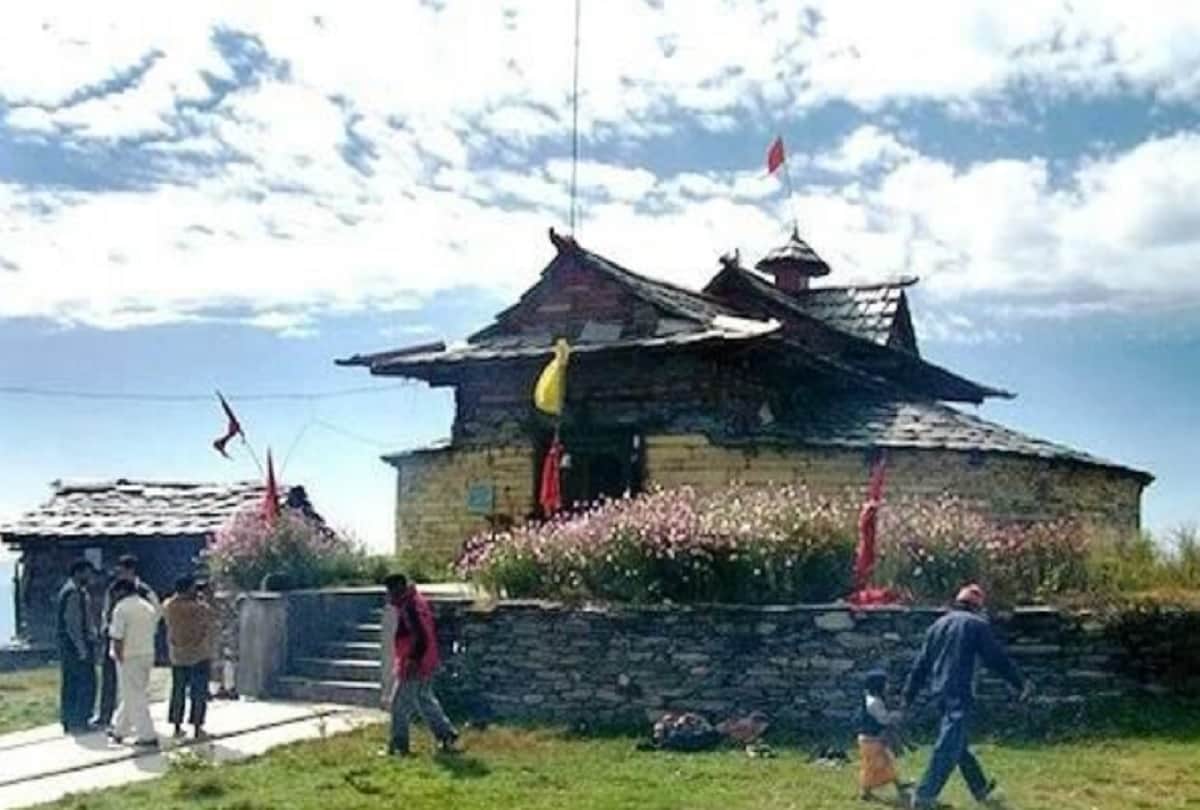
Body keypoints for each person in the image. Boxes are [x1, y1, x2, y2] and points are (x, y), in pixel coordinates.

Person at [903, 584, 1033, 809]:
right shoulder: (976, 625)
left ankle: (980, 787)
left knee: (957, 743)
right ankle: (924, 795)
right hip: (960, 692)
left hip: (939, 692)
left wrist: (908, 697)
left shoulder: (937, 626)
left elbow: (920, 666)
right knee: (948, 745)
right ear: (977, 606)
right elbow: (996, 658)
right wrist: (1019, 682)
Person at [383, 573, 459, 756]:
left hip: (414, 662)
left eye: (389, 591)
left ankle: (399, 745)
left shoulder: (409, 606)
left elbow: (420, 637)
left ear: (397, 589)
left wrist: (411, 661)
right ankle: (446, 735)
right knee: (424, 699)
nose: (388, 596)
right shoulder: (417, 601)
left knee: (399, 704)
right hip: (427, 659)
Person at [96, 554, 160, 728]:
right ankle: (107, 716)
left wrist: (146, 632)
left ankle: (135, 727)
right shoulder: (113, 589)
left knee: (132, 689)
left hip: (133, 645)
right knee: (111, 680)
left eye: (123, 569)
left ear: (131, 570)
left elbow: (156, 613)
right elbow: (106, 611)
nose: (120, 572)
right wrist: (106, 628)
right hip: (115, 637)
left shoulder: (144, 591)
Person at [108, 578, 161, 748]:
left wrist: (118, 656)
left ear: (121, 591)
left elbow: (117, 637)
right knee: (132, 693)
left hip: (128, 656)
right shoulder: (147, 607)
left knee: (135, 696)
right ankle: (119, 729)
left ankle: (147, 735)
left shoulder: (121, 609)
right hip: (147, 653)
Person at [162, 575, 216, 739]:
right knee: (198, 692)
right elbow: (210, 616)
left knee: (178, 691)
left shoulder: (168, 606)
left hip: (178, 655)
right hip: (198, 654)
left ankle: (177, 726)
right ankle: (197, 727)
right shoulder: (199, 608)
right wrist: (206, 597)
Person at [856, 669, 911, 803]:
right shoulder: (874, 703)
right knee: (872, 767)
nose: (888, 686)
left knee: (887, 763)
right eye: (886, 683)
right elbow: (883, 719)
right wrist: (896, 716)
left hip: (874, 739)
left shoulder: (872, 699)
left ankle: (899, 786)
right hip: (870, 740)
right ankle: (865, 791)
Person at [57, 559, 98, 734]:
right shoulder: (73, 593)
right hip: (74, 646)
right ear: (79, 572)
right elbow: (73, 624)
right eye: (87, 572)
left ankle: (70, 719)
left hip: (70, 645)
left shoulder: (77, 591)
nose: (90, 576)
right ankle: (79, 720)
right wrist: (81, 648)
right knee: (83, 682)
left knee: (72, 682)